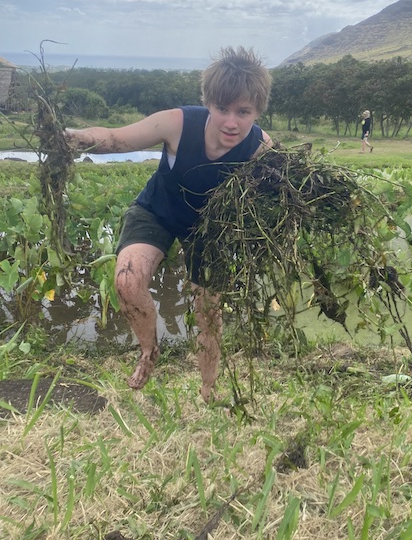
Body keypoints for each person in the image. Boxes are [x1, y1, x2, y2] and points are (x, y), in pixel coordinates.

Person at [65, 47, 273, 402]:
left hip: (210, 229)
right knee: (127, 281)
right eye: (222, 109)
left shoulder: (261, 149)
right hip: (158, 209)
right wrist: (71, 138)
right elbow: (116, 138)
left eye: (243, 112)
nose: (231, 122)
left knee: (208, 313)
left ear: (257, 111)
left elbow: (285, 187)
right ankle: (149, 351)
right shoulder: (177, 123)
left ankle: (208, 388)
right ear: (208, 102)